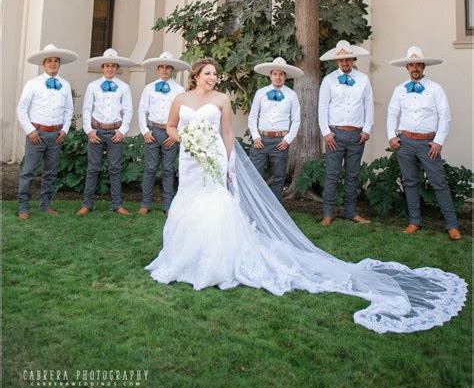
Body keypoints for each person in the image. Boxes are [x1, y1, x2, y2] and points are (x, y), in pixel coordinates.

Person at [145, 57, 466, 334]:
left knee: (216, 205)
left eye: (216, 73)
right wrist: (187, 135)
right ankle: (185, 258)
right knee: (188, 204)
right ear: (197, 76)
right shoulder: (180, 99)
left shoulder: (222, 100)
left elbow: (227, 133)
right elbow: (171, 127)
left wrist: (228, 162)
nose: (213, 77)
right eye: (209, 73)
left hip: (214, 156)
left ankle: (213, 261)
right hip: (190, 159)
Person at [387, 46, 461, 240]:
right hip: (405, 143)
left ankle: (451, 225)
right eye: (411, 64)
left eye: (418, 64)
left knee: (440, 183)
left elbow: (445, 117)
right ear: (407, 68)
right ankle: (414, 221)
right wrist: (391, 136)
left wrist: (438, 141)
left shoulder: (436, 89)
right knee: (410, 182)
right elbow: (392, 113)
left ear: (423, 66)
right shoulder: (399, 90)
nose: (415, 68)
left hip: (428, 143)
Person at [17, 43, 77, 220]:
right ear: (43, 64)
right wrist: (30, 131)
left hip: (56, 136)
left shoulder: (65, 85)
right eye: (49, 61)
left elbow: (69, 110)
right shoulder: (33, 84)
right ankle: (23, 207)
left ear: (59, 64)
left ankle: (45, 205)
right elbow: (22, 109)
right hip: (36, 134)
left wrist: (65, 130)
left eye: (56, 61)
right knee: (28, 171)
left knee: (50, 172)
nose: (53, 64)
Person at [318, 40, 374, 226]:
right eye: (341, 60)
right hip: (335, 134)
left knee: (352, 174)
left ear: (353, 59)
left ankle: (350, 211)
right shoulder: (329, 80)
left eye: (348, 59)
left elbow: (368, 106)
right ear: (337, 62)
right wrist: (326, 132)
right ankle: (328, 212)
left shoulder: (363, 79)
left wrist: (366, 129)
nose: (345, 63)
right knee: (332, 174)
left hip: (357, 135)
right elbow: (323, 107)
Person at [77, 48, 135, 216]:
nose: (110, 69)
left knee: (115, 168)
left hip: (114, 132)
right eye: (107, 66)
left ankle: (117, 204)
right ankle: (87, 204)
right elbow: (87, 109)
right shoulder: (93, 86)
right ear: (102, 67)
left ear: (117, 68)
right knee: (93, 168)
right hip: (96, 131)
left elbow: (128, 110)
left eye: (113, 66)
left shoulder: (124, 87)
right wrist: (89, 130)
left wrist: (122, 130)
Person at [138, 51, 190, 215]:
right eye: (162, 67)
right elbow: (142, 111)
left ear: (172, 69)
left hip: (170, 133)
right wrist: (145, 131)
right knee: (150, 168)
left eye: (168, 67)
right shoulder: (149, 88)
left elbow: (183, 114)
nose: (165, 70)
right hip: (153, 132)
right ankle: (145, 204)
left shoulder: (179, 89)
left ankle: (168, 205)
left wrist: (176, 136)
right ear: (157, 69)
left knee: (168, 170)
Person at [248, 57, 302, 201]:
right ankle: (254, 205)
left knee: (279, 177)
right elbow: (253, 117)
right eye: (275, 74)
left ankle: (276, 210)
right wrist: (255, 137)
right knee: (254, 174)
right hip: (261, 140)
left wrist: (287, 140)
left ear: (285, 76)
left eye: (281, 74)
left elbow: (296, 120)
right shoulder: (261, 93)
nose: (278, 77)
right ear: (270, 75)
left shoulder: (292, 95)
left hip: (280, 141)